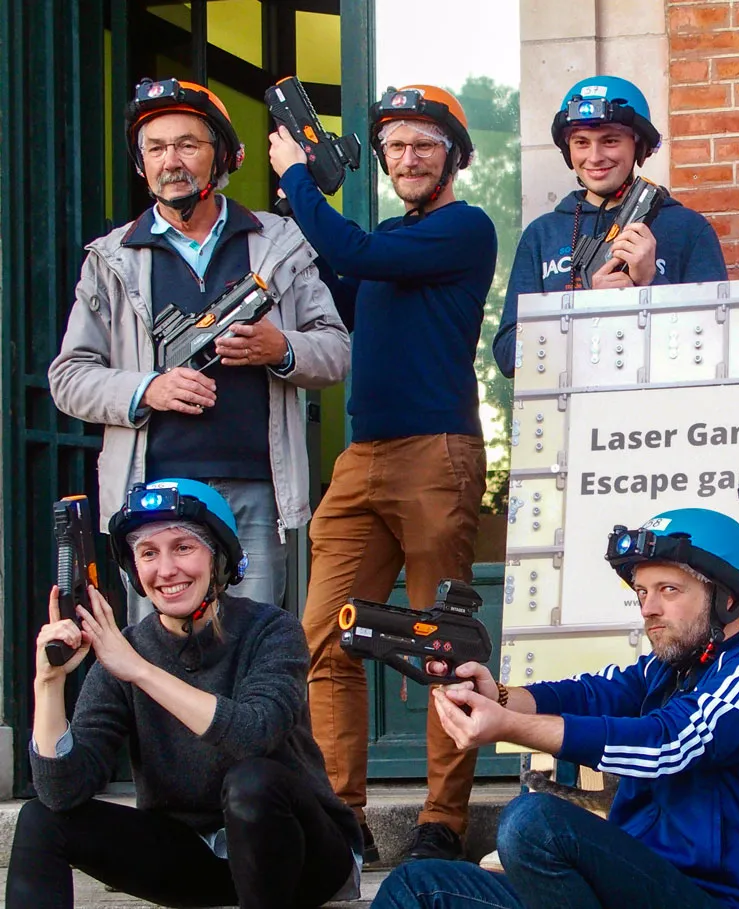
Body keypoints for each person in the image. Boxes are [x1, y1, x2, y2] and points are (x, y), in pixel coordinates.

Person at [371, 509, 739, 909]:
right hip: (626, 887)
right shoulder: (666, 670)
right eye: (642, 591)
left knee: (533, 824)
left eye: (669, 589)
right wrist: (499, 697)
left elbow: (671, 742)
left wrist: (510, 726)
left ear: (728, 597)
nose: (649, 608)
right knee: (418, 885)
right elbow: (588, 694)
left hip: (718, 898)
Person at [268, 84, 495, 864]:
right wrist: (296, 217)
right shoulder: (383, 243)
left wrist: (300, 180)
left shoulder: (465, 227)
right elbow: (338, 284)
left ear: (453, 157)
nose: (407, 158)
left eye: (423, 144)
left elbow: (354, 253)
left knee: (443, 642)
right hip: (362, 457)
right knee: (323, 640)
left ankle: (442, 819)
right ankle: (342, 815)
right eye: (395, 145)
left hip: (438, 451)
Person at [48, 77, 351, 616]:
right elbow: (68, 377)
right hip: (150, 499)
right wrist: (149, 388)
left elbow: (337, 350)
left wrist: (278, 348)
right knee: (160, 664)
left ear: (224, 156)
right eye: (156, 148)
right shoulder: (110, 259)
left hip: (257, 494)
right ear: (141, 165)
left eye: (188, 144)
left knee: (250, 656)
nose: (172, 161)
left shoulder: (279, 242)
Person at [7, 478, 362, 909]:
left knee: (251, 782)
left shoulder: (272, 630)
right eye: (149, 553)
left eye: (184, 547)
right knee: (41, 817)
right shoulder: (128, 651)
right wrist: (49, 682)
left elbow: (253, 735)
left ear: (220, 558)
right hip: (194, 858)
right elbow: (62, 792)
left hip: (303, 857)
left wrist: (139, 670)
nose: (166, 570)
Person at [492, 76, 727, 377]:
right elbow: (508, 355)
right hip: (570, 416)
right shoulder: (541, 235)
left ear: (638, 145)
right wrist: (584, 310)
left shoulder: (688, 228)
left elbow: (716, 342)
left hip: (664, 418)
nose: (594, 157)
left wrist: (648, 284)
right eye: (581, 143)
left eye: (610, 140)